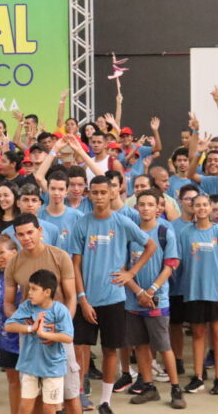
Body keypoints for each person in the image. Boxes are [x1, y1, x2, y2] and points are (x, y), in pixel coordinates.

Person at [72, 176, 156, 413]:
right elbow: (75, 265)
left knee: (110, 350)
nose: (99, 197)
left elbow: (150, 245)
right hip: (87, 300)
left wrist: (131, 273)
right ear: (89, 194)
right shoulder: (82, 224)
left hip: (114, 299)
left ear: (112, 193)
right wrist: (82, 298)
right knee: (82, 348)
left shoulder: (122, 222)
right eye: (94, 192)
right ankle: (79, 394)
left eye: (103, 192)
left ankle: (105, 401)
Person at [119, 189, 185, 409]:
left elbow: (170, 265)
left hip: (158, 300)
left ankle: (176, 389)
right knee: (140, 345)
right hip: (133, 299)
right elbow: (123, 267)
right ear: (136, 207)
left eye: (151, 204)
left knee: (164, 346)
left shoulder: (166, 231)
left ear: (159, 208)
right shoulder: (131, 232)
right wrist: (138, 291)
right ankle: (148, 386)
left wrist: (152, 291)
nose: (146, 208)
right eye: (142, 204)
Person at [175, 193, 218, 396]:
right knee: (198, 334)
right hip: (192, 292)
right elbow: (177, 262)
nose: (201, 208)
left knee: (217, 334)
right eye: (197, 205)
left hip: (215, 292)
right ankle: (198, 377)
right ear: (192, 207)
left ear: (210, 208)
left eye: (204, 205)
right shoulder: (185, 233)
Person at [4, 270, 75, 414]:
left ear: (47, 292)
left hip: (53, 367)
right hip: (30, 365)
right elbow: (9, 325)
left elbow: (68, 337)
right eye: (30, 288)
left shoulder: (60, 310)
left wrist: (47, 334)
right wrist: (31, 328)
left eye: (34, 289)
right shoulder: (27, 307)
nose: (29, 293)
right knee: (25, 405)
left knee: (50, 407)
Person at [0, 235, 22, 414]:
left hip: (26, 340)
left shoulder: (25, 277)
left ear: (14, 253)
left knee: (31, 385)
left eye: (2, 253)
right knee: (13, 381)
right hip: (7, 340)